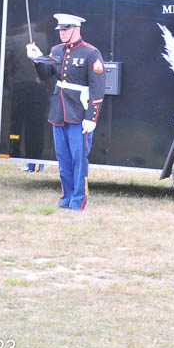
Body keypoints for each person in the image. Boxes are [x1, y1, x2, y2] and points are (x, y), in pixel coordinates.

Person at [26, 13, 105, 210]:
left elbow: (97, 88)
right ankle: (66, 197)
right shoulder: (56, 50)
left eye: (66, 29)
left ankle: (78, 200)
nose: (62, 33)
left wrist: (91, 118)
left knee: (79, 159)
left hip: (79, 113)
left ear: (76, 29)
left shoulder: (91, 53)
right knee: (63, 159)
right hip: (59, 112)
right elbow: (46, 75)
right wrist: (37, 59)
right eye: (60, 29)